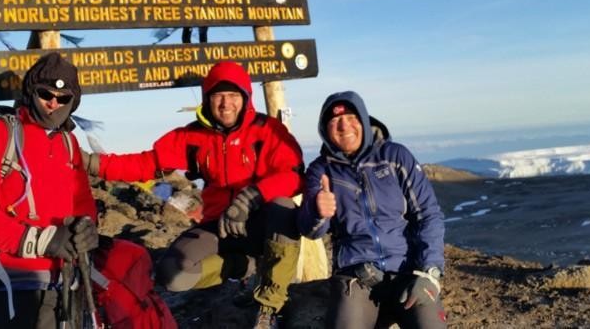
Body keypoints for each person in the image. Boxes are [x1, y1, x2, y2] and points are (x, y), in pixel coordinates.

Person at [82, 61, 304, 329]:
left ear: (246, 98)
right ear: (207, 99)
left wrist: (249, 198)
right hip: (219, 224)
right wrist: (94, 164)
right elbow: (146, 164)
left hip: (261, 222)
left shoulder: (267, 130)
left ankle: (270, 304)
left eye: (234, 95)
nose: (225, 103)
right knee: (173, 276)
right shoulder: (194, 136)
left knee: (284, 207)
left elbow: (293, 175)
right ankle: (247, 266)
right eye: (218, 95)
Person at [0, 52, 99, 329]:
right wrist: (44, 241)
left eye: (63, 99)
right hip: (10, 285)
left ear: (73, 102)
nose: (53, 103)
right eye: (45, 94)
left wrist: (87, 229)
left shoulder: (68, 142)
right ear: (30, 92)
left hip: (63, 282)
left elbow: (82, 201)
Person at [297, 91, 447, 329]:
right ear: (325, 130)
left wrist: (430, 272)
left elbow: (428, 214)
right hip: (356, 277)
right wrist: (318, 212)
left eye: (351, 117)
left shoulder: (395, 156)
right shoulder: (321, 170)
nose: (344, 125)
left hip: (409, 272)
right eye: (334, 121)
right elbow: (310, 230)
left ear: (365, 121)